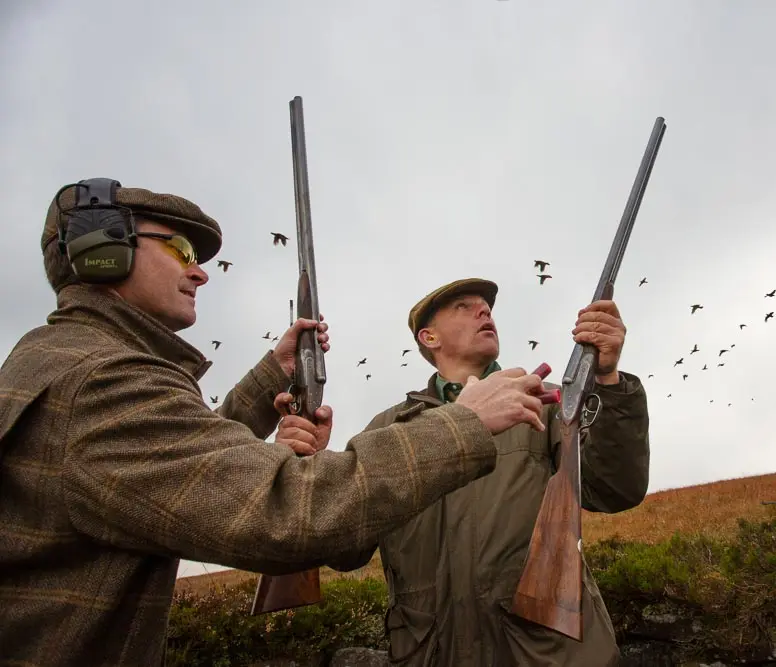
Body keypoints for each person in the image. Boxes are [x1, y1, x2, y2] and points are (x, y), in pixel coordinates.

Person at [0, 180, 550, 667]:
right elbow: (287, 511)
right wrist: (463, 423)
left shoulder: (70, 364)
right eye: (180, 249)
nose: (199, 271)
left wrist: (272, 377)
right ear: (104, 250)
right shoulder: (102, 383)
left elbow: (177, 466)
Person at [329, 277, 651, 666]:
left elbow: (617, 489)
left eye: (486, 306)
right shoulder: (387, 430)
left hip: (547, 656)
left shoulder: (548, 402)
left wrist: (607, 379)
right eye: (463, 307)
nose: (484, 310)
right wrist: (307, 462)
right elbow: (345, 551)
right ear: (429, 337)